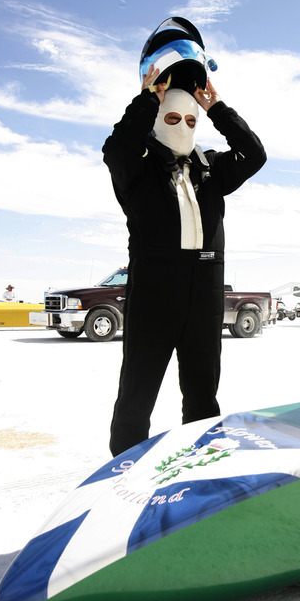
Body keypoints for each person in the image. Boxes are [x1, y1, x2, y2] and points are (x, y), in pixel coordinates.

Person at [103, 66, 266, 457]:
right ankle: (122, 469)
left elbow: (255, 155)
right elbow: (117, 149)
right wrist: (146, 101)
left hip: (205, 294)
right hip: (154, 292)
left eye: (190, 120)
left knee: (202, 395)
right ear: (158, 119)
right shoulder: (138, 169)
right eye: (172, 118)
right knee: (137, 394)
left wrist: (217, 109)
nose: (182, 126)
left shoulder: (210, 168)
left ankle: (201, 464)